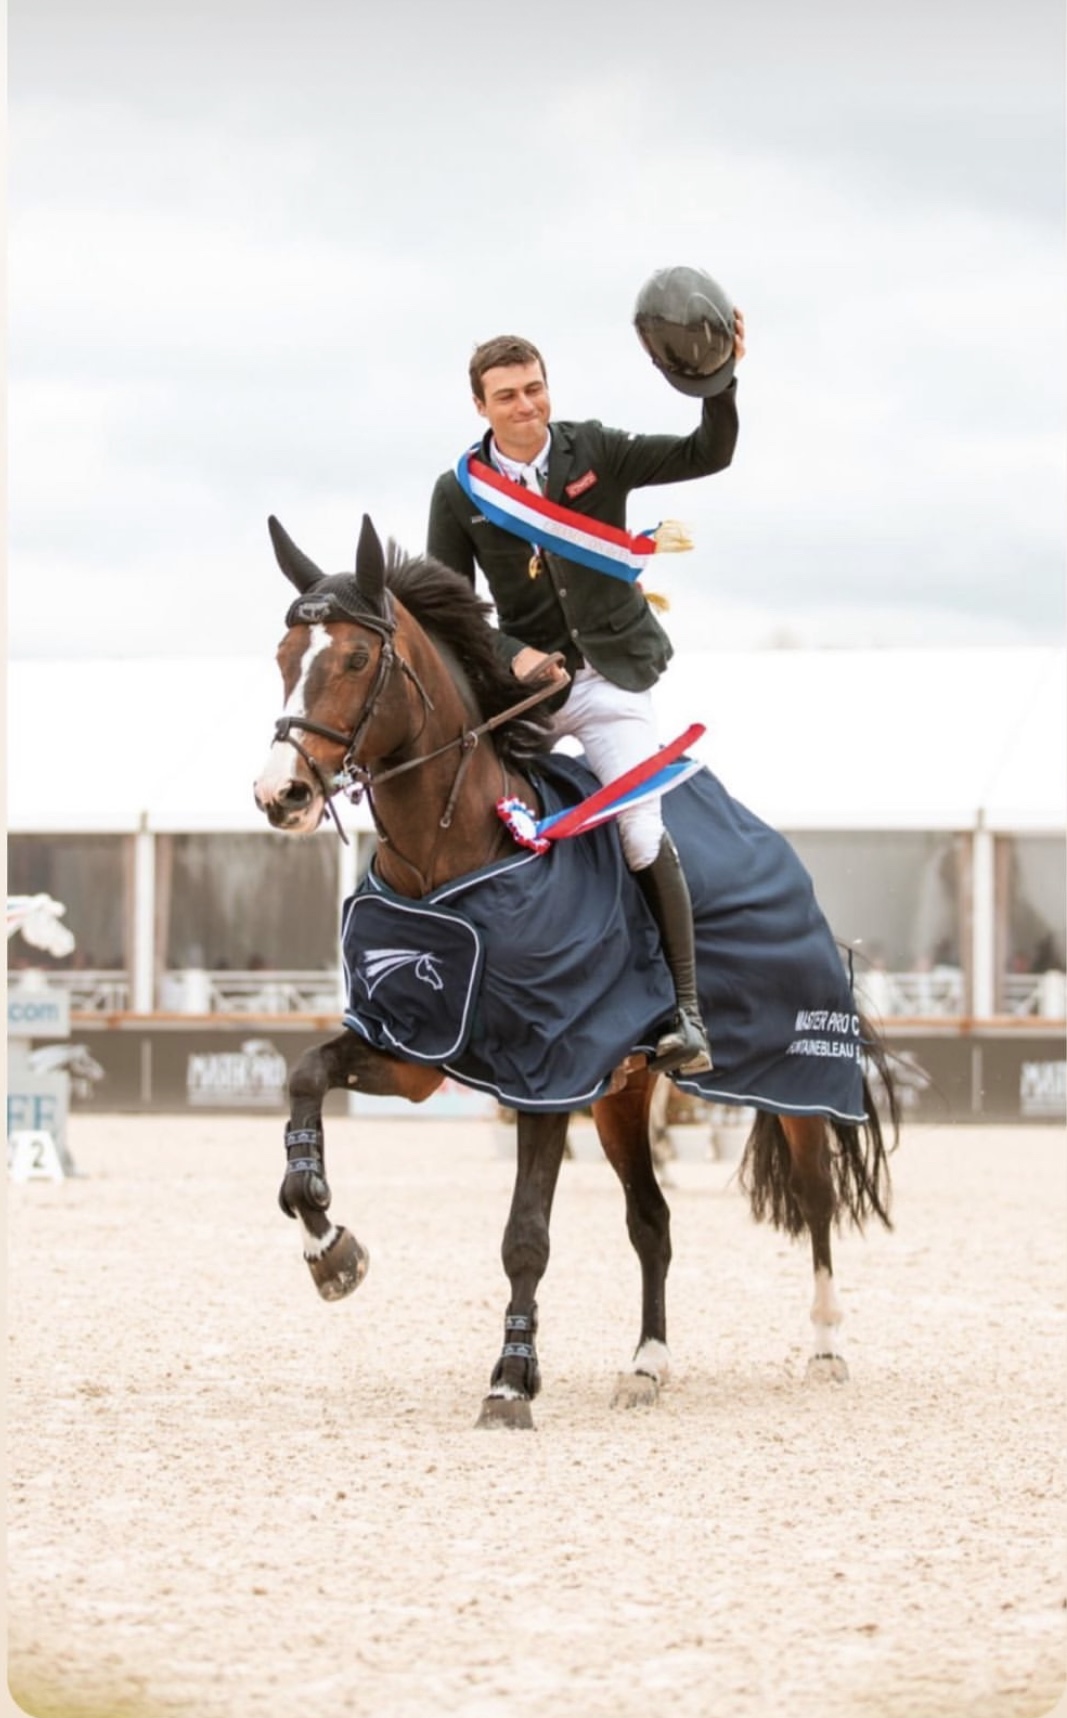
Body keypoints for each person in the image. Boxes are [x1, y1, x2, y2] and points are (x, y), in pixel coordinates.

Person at [426, 278, 744, 1074]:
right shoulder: (457, 492)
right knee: (459, 809)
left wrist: (720, 379)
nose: (524, 405)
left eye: (533, 389)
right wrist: (509, 658)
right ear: (480, 406)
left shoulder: (594, 449)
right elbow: (446, 609)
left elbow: (708, 453)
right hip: (525, 693)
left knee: (639, 827)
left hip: (610, 681)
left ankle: (688, 1013)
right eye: (506, 395)